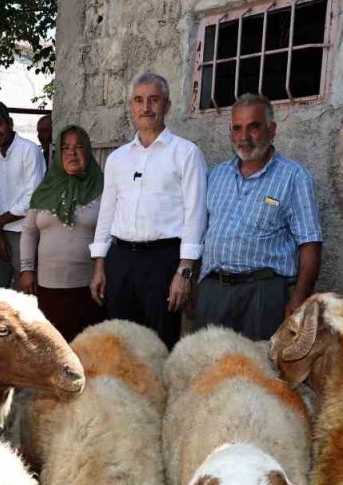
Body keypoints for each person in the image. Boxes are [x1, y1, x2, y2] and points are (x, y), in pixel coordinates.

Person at [89, 72, 206, 348]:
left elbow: (195, 214)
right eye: (139, 100)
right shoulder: (118, 158)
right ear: (131, 106)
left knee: (159, 342)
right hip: (120, 261)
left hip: (162, 262)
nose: (146, 107)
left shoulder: (186, 153)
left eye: (154, 100)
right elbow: (107, 213)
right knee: (119, 340)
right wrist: (100, 266)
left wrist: (184, 271)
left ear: (167, 105)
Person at [196, 93, 323, 341]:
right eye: (237, 128)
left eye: (254, 127)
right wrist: (193, 287)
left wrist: (299, 299)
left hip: (263, 295)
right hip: (213, 291)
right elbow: (200, 233)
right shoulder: (216, 175)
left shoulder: (294, 177)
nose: (244, 137)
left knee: (259, 369)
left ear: (271, 129)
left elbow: (310, 243)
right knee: (207, 369)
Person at [19, 125, 107, 341]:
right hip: (48, 287)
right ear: (58, 154)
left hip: (89, 287)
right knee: (52, 347)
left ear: (87, 151)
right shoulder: (45, 190)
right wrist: (27, 269)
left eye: (79, 147)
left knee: (87, 347)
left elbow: (109, 234)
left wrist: (101, 270)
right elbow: (29, 231)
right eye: (65, 147)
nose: (72, 153)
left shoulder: (103, 188)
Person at [0, 100, 45, 291]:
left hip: (24, 231)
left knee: (25, 293)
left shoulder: (29, 150)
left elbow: (33, 197)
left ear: (9, 122)